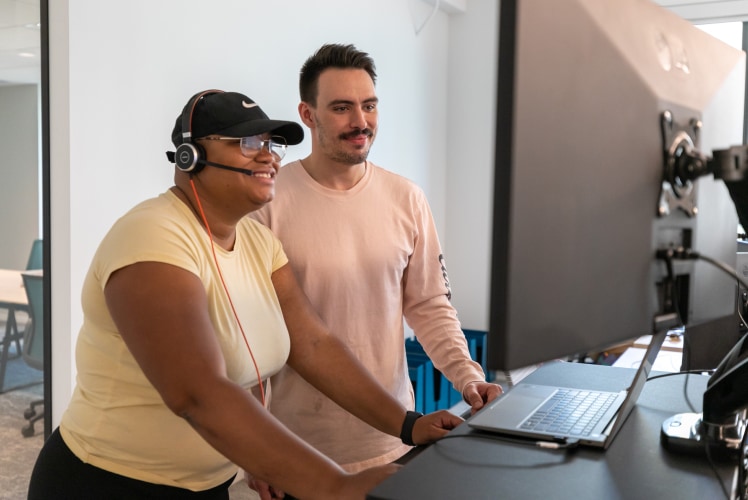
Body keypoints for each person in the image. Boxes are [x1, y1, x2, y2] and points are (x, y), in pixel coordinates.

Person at [26, 89, 463, 500]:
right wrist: (335, 486)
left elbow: (313, 345)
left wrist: (406, 424)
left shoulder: (258, 243)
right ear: (190, 155)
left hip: (207, 484)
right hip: (110, 482)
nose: (268, 157)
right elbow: (196, 392)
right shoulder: (153, 235)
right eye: (248, 142)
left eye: (273, 144)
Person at [249, 43, 503, 493]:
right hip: (299, 449)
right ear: (308, 115)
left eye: (369, 106)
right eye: (342, 108)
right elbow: (247, 339)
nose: (360, 122)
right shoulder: (268, 203)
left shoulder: (406, 198)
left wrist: (468, 377)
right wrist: (257, 453)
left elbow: (429, 305)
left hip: (396, 437)